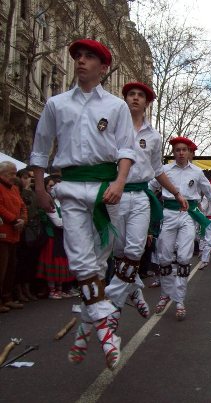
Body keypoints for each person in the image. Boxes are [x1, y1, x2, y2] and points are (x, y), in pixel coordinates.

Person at [30, 39, 136, 370]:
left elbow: (126, 150)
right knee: (80, 263)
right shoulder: (56, 104)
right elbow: (40, 147)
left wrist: (119, 183)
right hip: (71, 188)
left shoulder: (117, 107)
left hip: (106, 192)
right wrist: (38, 187)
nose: (81, 61)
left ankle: (84, 328)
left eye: (90, 57)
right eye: (79, 56)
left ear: (104, 68)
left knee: (97, 265)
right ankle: (107, 331)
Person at [105, 82, 187, 331]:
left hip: (140, 196)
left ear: (147, 102)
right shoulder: (112, 126)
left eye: (141, 96)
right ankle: (135, 291)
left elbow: (157, 170)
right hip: (115, 195)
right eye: (131, 94)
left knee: (134, 250)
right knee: (118, 251)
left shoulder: (153, 136)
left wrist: (176, 192)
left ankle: (113, 305)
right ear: (125, 98)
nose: (135, 99)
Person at [151, 137, 211, 320]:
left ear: (190, 152)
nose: (181, 153)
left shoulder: (198, 172)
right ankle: (165, 294)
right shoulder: (164, 170)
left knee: (184, 257)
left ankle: (180, 301)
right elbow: (149, 188)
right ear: (173, 152)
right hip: (168, 214)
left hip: (188, 216)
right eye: (177, 150)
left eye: (184, 149)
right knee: (164, 257)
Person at [36, 177, 76, 298]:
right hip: (52, 236)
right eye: (50, 186)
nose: (53, 188)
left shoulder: (59, 201)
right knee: (53, 263)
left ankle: (60, 289)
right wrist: (71, 223)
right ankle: (52, 289)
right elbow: (58, 222)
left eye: (55, 186)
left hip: (62, 236)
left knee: (62, 262)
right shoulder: (47, 202)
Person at [0, 161, 27, 313]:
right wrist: (14, 220)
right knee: (1, 268)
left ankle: (7, 297)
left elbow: (23, 206)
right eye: (11, 173)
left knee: (11, 267)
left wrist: (23, 220)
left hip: (15, 233)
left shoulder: (15, 189)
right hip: (3, 233)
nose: (14, 176)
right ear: (2, 174)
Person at [15, 168, 40, 302]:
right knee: (20, 262)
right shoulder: (18, 192)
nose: (27, 180)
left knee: (30, 262)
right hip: (21, 231)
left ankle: (27, 288)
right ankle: (19, 290)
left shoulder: (34, 193)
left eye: (29, 177)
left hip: (33, 231)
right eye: (24, 177)